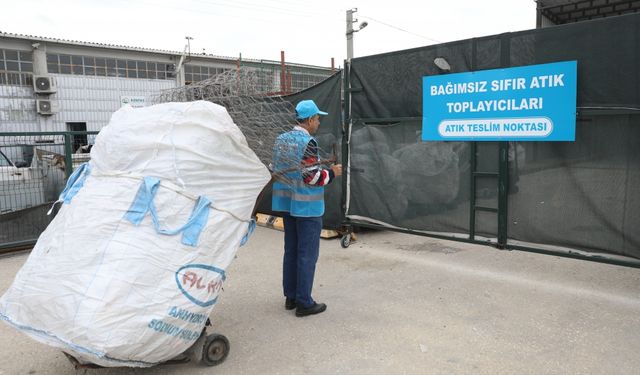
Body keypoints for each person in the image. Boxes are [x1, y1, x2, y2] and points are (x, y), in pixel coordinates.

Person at [271, 99, 342, 317]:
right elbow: (311, 177)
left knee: (291, 251)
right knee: (307, 255)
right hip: (307, 209)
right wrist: (332, 173)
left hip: (287, 206)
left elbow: (275, 168)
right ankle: (304, 303)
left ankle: (291, 297)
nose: (319, 123)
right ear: (310, 119)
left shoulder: (281, 140)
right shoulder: (308, 142)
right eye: (318, 119)